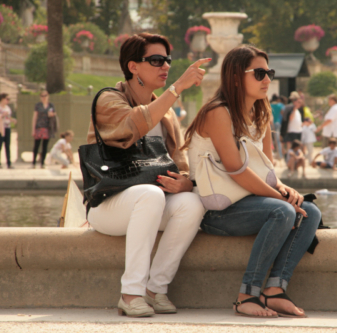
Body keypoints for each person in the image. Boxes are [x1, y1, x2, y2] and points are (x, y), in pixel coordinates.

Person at [184, 44, 321, 318]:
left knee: (310, 211)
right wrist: (280, 198)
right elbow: (235, 169)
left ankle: (274, 290)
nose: (268, 79)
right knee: (281, 209)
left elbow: (267, 169)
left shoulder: (261, 114)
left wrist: (283, 188)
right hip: (216, 209)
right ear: (236, 77)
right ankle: (247, 294)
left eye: (268, 72)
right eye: (259, 73)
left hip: (249, 202)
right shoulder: (217, 112)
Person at [86, 33, 209, 317]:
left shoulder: (168, 115)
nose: (165, 66)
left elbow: (181, 162)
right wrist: (178, 87)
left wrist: (186, 182)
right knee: (151, 194)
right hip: (108, 204)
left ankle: (155, 290)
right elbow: (134, 124)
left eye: (167, 60)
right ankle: (131, 294)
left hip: (148, 203)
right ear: (133, 67)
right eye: (156, 60)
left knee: (193, 203)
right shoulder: (108, 99)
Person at [31, 90, 56, 169]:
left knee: (44, 146)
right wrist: (33, 129)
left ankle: (42, 163)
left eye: (45, 95)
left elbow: (54, 114)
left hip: (47, 127)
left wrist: (51, 114)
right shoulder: (38, 105)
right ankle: (34, 162)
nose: (44, 97)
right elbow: (34, 117)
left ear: (48, 96)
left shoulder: (51, 105)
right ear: (40, 97)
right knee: (36, 145)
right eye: (42, 96)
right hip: (39, 127)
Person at [0, 93, 16, 169]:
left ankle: (9, 163)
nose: (8, 100)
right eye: (7, 99)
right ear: (2, 99)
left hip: (7, 127)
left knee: (7, 145)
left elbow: (8, 117)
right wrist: (2, 115)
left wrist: (12, 120)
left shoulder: (7, 108)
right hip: (0, 128)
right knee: (0, 145)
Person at [270, 94, 284, 159]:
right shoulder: (280, 105)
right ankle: (279, 155)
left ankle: (271, 154)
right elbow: (282, 113)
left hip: (270, 123)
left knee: (270, 139)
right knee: (277, 139)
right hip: (277, 122)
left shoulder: (269, 105)